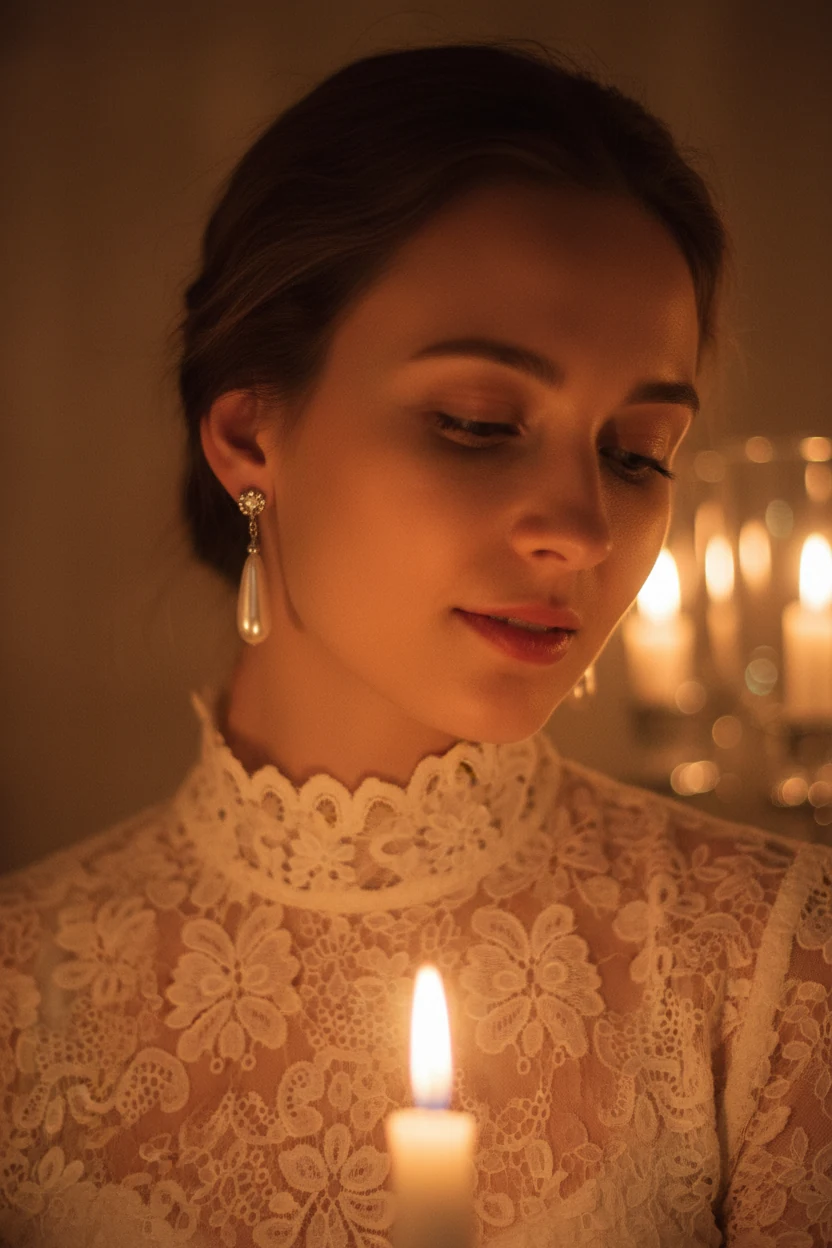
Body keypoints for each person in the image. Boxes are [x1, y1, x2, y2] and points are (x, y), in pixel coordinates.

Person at [1, 39, 830, 1248]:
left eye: (636, 451)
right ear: (248, 436)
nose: (583, 531)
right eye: (478, 422)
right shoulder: (21, 997)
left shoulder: (773, 971)